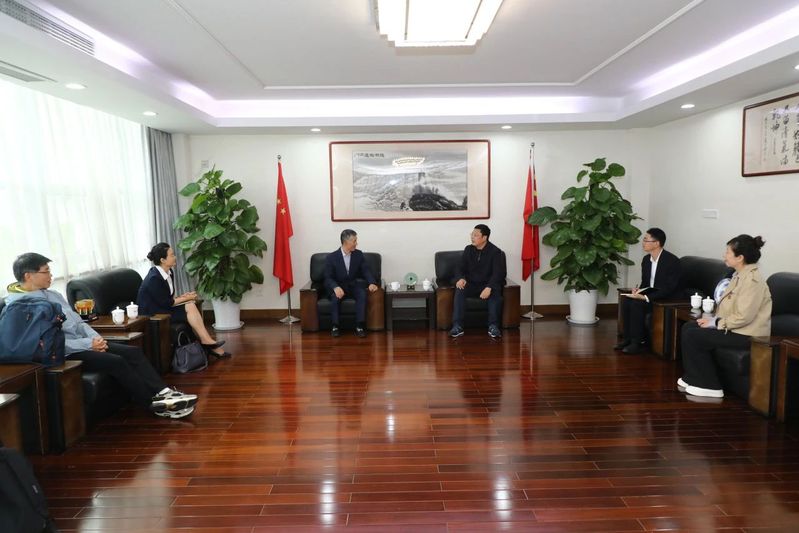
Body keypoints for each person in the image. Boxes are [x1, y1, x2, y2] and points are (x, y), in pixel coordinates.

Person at [7, 253, 198, 418]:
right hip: (63, 352)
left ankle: (165, 392)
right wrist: (88, 344)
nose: (51, 275)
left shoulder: (53, 295)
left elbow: (78, 321)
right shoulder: (20, 307)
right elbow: (45, 343)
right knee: (116, 361)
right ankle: (154, 405)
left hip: (86, 342)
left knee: (132, 352)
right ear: (28, 276)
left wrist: (96, 339)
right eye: (46, 271)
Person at [678, 235, 772, 399]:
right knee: (689, 327)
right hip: (735, 328)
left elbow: (744, 317)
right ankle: (693, 376)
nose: (724, 255)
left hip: (748, 334)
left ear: (740, 257)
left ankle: (709, 385)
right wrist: (712, 321)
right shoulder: (739, 275)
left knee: (694, 335)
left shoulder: (752, 281)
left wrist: (717, 323)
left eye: (728, 252)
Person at [137, 243, 230, 358]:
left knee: (191, 305)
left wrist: (183, 297)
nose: (175, 257)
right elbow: (166, 303)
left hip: (162, 308)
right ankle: (208, 343)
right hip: (154, 315)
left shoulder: (169, 272)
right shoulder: (154, 278)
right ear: (163, 260)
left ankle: (207, 342)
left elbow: (166, 298)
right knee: (190, 305)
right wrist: (186, 298)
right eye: (172, 255)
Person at [615, 228, 681, 354]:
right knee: (627, 301)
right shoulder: (646, 260)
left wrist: (646, 298)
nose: (643, 243)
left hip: (666, 298)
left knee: (637, 304)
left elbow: (669, 288)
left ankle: (637, 342)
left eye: (646, 240)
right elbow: (646, 283)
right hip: (652, 293)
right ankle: (627, 339)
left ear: (657, 243)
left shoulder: (672, 261)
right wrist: (638, 291)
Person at [449, 224, 506, 339]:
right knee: (460, 289)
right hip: (471, 284)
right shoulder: (468, 249)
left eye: (475, 235)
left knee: (495, 293)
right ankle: (457, 326)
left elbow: (498, 274)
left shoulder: (495, 252)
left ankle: (493, 326)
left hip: (487, 285)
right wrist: (461, 278)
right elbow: (460, 268)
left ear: (484, 237)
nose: (472, 237)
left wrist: (489, 287)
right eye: (472, 234)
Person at [323, 229, 378, 338]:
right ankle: (335, 326)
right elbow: (327, 277)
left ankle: (359, 326)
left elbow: (365, 270)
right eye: (354, 241)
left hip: (352, 285)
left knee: (362, 294)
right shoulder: (331, 257)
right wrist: (335, 287)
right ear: (345, 242)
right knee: (335, 297)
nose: (356, 243)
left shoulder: (358, 254)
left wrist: (371, 282)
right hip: (338, 286)